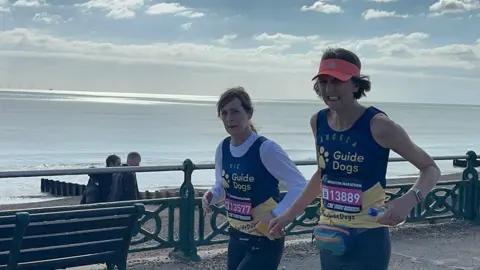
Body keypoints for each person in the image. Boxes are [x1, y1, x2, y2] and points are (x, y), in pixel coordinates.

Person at [268, 47, 441, 270]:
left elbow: (430, 168)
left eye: (337, 81)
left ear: (356, 85)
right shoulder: (318, 122)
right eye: (323, 81)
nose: (329, 89)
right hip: (329, 237)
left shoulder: (379, 125)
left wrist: (409, 200)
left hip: (368, 238)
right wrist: (289, 213)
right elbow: (323, 174)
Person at [201, 87, 307, 270]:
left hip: (266, 236)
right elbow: (222, 185)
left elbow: (300, 186)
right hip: (236, 235)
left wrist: (275, 214)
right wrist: (211, 194)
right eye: (224, 113)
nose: (229, 118)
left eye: (235, 111)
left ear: (249, 113)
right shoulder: (223, 147)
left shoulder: (266, 149)